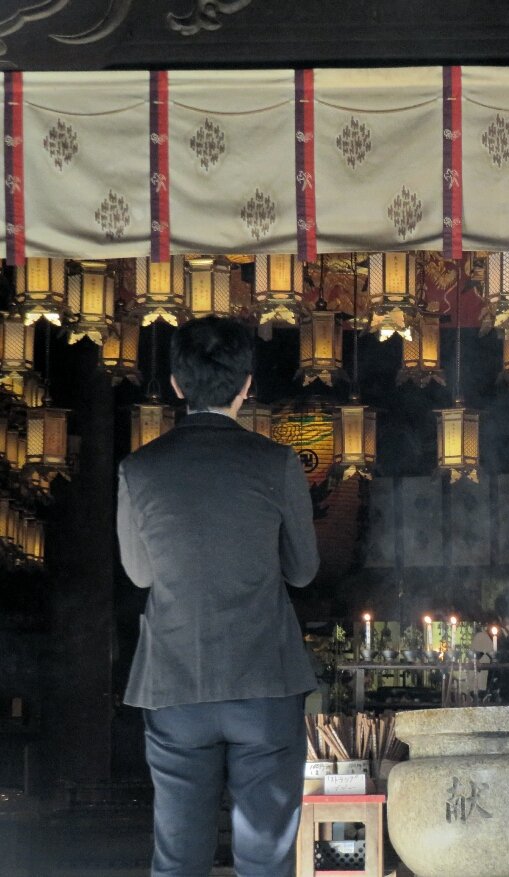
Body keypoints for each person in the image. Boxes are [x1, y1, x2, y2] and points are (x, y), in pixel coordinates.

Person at [117, 316, 320, 877]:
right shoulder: (276, 463)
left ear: (178, 386)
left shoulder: (140, 469)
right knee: (265, 857)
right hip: (265, 681)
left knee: (179, 857)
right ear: (247, 384)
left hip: (175, 684)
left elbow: (138, 574)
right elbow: (303, 572)